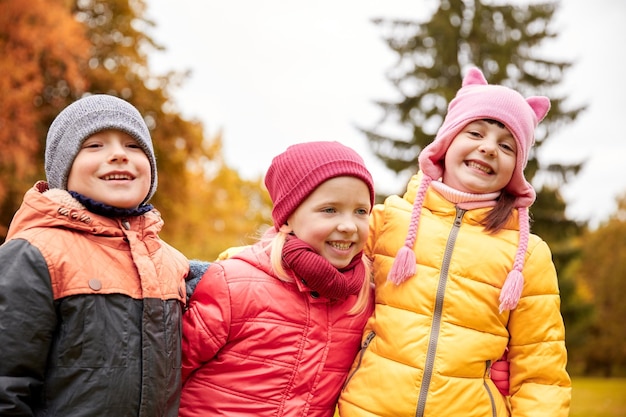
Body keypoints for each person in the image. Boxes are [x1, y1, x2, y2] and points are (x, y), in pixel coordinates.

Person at [338, 68, 571, 416]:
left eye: (506, 145)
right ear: (445, 143)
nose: (488, 148)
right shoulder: (387, 221)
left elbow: (541, 371)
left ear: (517, 167)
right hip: (367, 408)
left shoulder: (528, 256)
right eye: (475, 132)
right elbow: (313, 250)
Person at [0, 95, 189, 416]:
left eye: (133, 146)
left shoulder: (173, 264)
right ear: (65, 168)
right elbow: (7, 384)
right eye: (94, 145)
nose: (118, 154)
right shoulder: (35, 254)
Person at [179, 141, 375, 417]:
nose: (348, 225)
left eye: (361, 211)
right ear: (287, 219)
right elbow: (167, 373)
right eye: (329, 210)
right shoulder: (234, 284)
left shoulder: (362, 302)